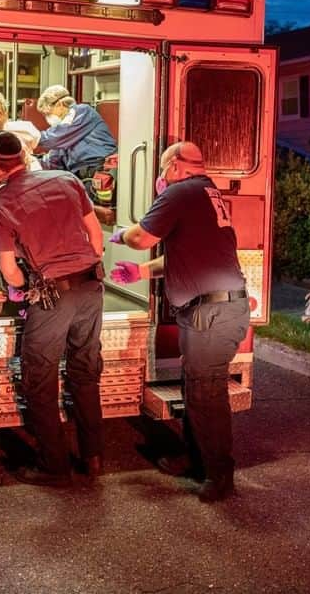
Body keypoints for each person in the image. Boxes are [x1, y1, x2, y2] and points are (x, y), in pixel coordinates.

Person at [110, 141, 250, 503]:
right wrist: (141, 271)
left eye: (160, 170)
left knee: (206, 393)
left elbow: (141, 238)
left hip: (211, 314)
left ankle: (219, 475)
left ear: (172, 165)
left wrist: (121, 234)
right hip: (217, 310)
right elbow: (186, 254)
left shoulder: (180, 192)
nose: (159, 178)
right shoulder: (206, 192)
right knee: (197, 390)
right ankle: (195, 459)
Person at [0, 131, 106, 486]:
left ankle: (54, 465)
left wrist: (27, 288)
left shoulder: (0, 205)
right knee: (85, 371)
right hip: (91, 287)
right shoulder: (66, 179)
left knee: (40, 378)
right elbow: (96, 239)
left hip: (53, 295)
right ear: (23, 155)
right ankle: (93, 456)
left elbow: (9, 272)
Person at [34, 85, 117, 181]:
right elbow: (54, 158)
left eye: (48, 113)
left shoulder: (82, 112)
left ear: (60, 105)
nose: (47, 118)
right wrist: (33, 162)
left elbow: (55, 137)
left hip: (98, 170)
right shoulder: (63, 130)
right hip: (80, 174)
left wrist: (30, 137)